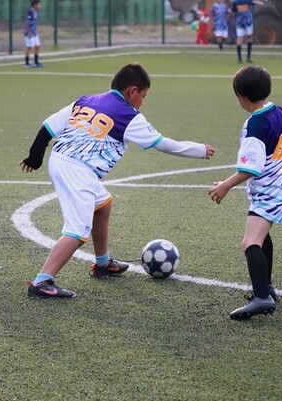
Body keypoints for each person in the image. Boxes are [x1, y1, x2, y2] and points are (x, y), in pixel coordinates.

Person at [20, 63, 215, 299]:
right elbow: (163, 143)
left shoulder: (85, 101)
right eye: (143, 96)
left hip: (63, 161)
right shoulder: (129, 116)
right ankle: (42, 281)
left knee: (103, 204)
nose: (143, 101)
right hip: (77, 171)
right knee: (77, 231)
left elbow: (48, 126)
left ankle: (103, 264)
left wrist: (35, 156)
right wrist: (198, 150)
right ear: (132, 91)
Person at [208, 65, 282, 320]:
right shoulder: (279, 111)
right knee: (261, 235)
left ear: (241, 97)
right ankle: (267, 287)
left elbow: (250, 168)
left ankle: (262, 297)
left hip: (271, 190)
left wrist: (225, 185)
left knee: (250, 242)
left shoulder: (254, 124)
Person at [24, 0, 44, 68]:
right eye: (39, 5)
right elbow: (28, 23)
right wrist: (29, 33)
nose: (40, 6)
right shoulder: (31, 11)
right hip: (30, 32)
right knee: (29, 47)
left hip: (34, 32)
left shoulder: (35, 12)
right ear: (35, 5)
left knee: (37, 46)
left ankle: (36, 62)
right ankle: (26, 63)